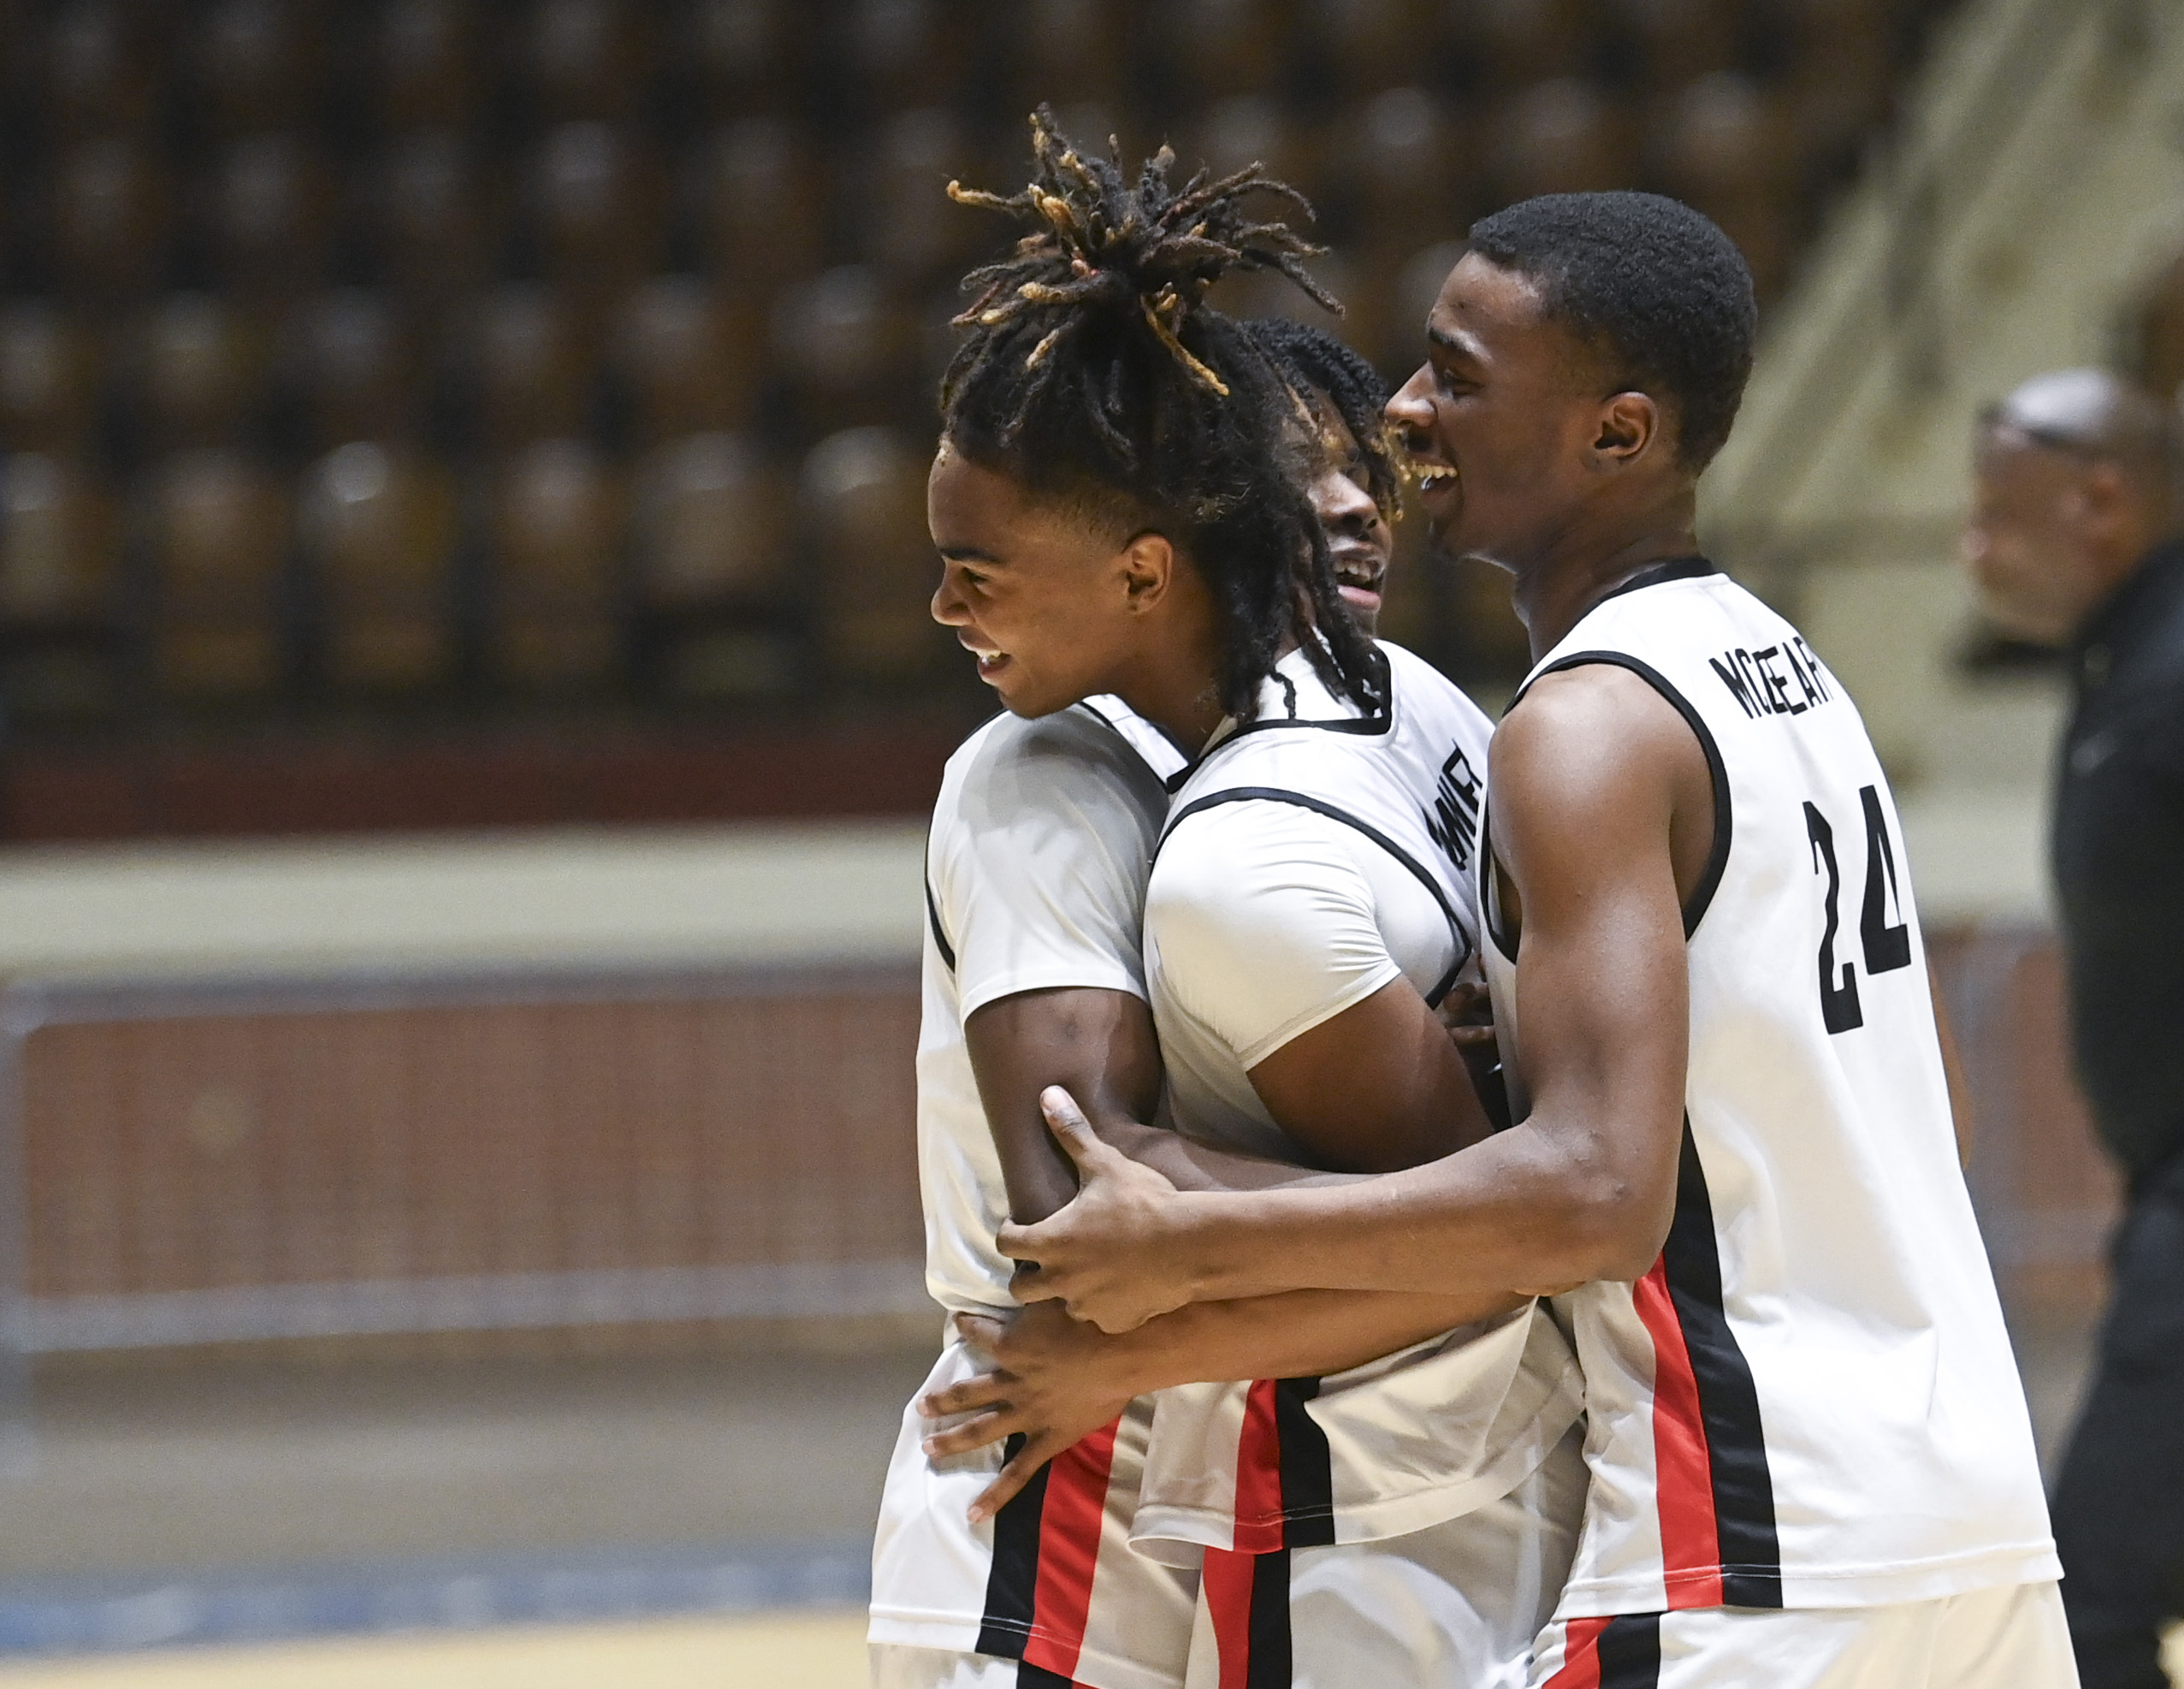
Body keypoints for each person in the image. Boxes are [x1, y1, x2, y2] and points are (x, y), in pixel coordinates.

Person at [997, 190, 2074, 1686]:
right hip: (1972, 1505)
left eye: (1457, 373)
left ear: (1617, 435)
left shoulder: (1576, 730)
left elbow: (1596, 1194)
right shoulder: (1784, 671)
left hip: (1755, 1532)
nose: (1404, 408)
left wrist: (1200, 1238)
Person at [894, 114, 1586, 1689]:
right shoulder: (1035, 782)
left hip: (1268, 1476)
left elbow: (1455, 1206)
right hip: (1062, 1492)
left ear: (1146, 568)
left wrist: (1510, 1139)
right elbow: (1078, 1234)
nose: (940, 606)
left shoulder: (1359, 728)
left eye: (975, 565)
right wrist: (1502, 1133)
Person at [1962, 367, 2184, 1689]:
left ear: (2098, 499)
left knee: (2088, 1603)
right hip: (2159, 1195)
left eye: (1996, 514)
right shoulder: (2123, 662)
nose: (1972, 549)